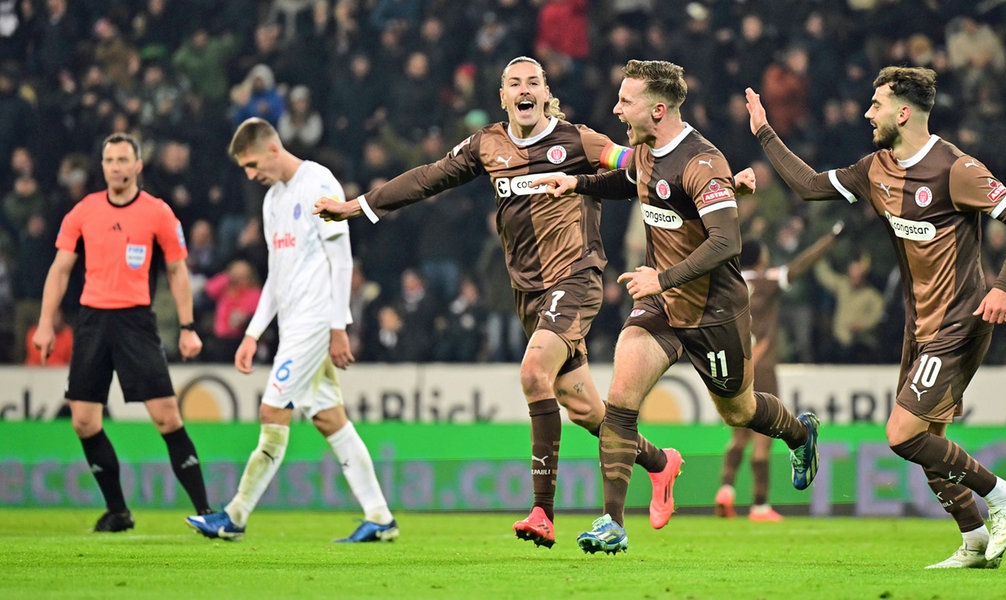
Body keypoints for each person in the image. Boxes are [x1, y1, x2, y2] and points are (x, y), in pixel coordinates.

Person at [314, 56, 682, 549]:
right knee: (583, 407)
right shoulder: (488, 143)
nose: (525, 89)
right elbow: (428, 177)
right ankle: (660, 463)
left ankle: (541, 511)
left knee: (533, 373)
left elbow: (632, 167)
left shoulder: (578, 140)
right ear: (503, 96)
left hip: (576, 278)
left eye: (534, 82)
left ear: (547, 93)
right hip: (528, 292)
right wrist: (357, 206)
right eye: (515, 83)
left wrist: (691, 178)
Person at [745, 65, 1006, 568]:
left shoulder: (956, 168)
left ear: (903, 113)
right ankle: (973, 541)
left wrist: (1004, 288)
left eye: (876, 104)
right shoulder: (875, 167)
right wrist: (764, 133)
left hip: (959, 321)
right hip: (918, 327)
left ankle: (1003, 495)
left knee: (902, 434)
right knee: (930, 443)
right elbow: (811, 185)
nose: (867, 112)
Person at [535, 59, 821, 554]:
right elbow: (632, 182)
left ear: (659, 109)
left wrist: (661, 276)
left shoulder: (702, 163)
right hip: (661, 306)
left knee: (739, 411)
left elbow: (727, 242)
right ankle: (613, 522)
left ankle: (799, 434)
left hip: (714, 313)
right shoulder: (646, 150)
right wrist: (577, 184)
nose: (616, 109)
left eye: (626, 101)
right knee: (620, 402)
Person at [186, 118, 397, 543]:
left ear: (271, 149)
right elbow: (276, 278)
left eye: (250, 164)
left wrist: (339, 326)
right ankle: (379, 516)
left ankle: (235, 515)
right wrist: (252, 333)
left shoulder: (319, 183)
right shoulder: (272, 202)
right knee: (328, 418)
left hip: (316, 321)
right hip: (292, 323)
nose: (249, 175)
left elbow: (342, 259)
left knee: (271, 412)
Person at [31, 132, 213, 532]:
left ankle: (207, 511)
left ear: (137, 166)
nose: (116, 167)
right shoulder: (84, 211)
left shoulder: (158, 212)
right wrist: (45, 324)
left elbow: (177, 269)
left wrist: (187, 327)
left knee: (166, 417)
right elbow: (60, 269)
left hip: (135, 321)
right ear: (103, 167)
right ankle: (118, 511)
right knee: (83, 421)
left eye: (122, 160)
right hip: (92, 320)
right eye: (109, 160)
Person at [716, 225, 841, 522]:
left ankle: (726, 490)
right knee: (763, 438)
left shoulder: (727, 282)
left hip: (735, 364)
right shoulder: (767, 280)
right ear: (760, 259)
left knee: (738, 436)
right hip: (763, 365)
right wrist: (831, 237)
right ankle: (759, 506)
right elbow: (800, 265)